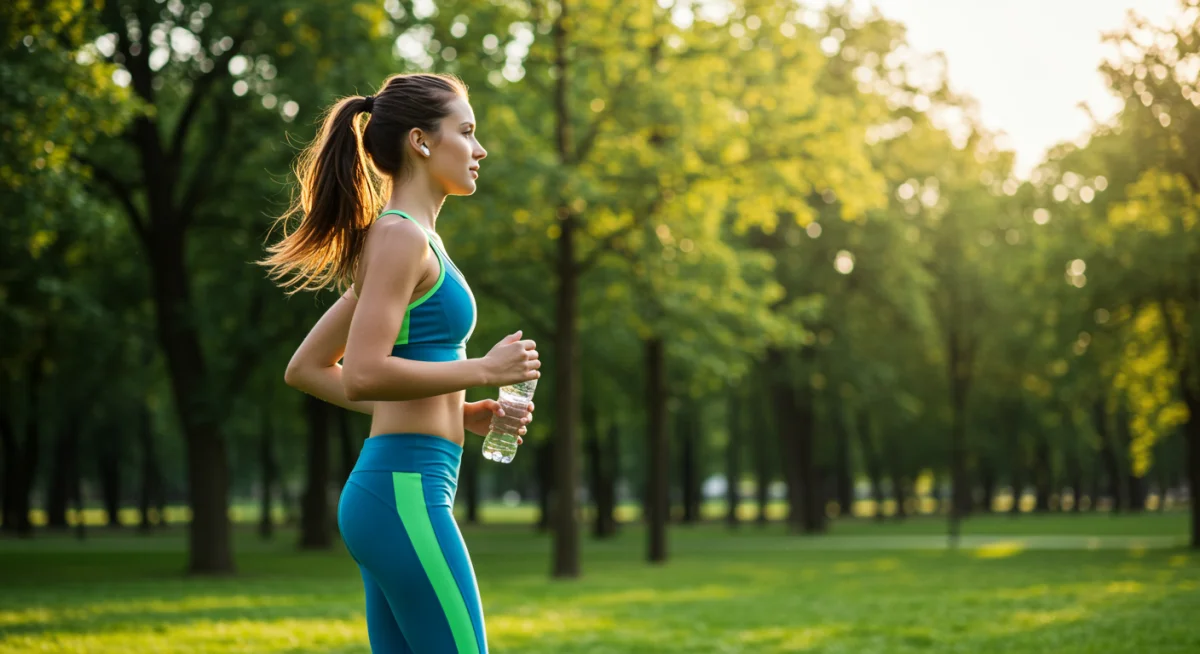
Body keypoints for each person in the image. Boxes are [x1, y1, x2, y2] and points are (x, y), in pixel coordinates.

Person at [259, 73, 541, 654]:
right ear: (420, 141)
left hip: (396, 490)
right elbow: (363, 373)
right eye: (465, 131)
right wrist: (484, 370)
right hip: (402, 489)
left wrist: (460, 412)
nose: (479, 148)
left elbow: (308, 368)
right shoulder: (398, 237)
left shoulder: (410, 240)